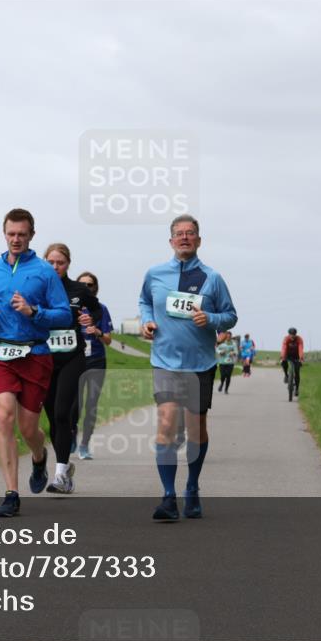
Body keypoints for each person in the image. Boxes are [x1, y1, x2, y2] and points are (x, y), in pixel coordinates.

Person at [0, 209, 71, 517]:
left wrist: (34, 311)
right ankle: (11, 493)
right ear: (4, 234)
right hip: (0, 353)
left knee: (28, 428)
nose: (16, 239)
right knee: (4, 415)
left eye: (22, 234)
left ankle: (39, 456)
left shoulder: (44, 272)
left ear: (31, 236)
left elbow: (64, 315)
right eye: (11, 234)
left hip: (35, 355)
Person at [139, 215, 237, 521]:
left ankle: (192, 486)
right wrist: (146, 322)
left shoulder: (213, 279)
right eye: (179, 234)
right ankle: (168, 497)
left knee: (196, 430)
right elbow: (144, 301)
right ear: (171, 241)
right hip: (165, 361)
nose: (184, 237)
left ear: (198, 240)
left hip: (200, 363)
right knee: (166, 424)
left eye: (190, 233)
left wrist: (211, 319)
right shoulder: (154, 274)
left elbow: (230, 315)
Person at [40, 247, 101, 490]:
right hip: (44, 358)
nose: (55, 267)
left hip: (72, 358)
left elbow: (95, 308)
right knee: (53, 420)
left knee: (62, 413)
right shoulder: (37, 288)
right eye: (51, 262)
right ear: (45, 263)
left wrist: (90, 319)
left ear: (68, 264)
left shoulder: (78, 289)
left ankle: (60, 474)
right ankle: (64, 468)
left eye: (61, 263)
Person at [72, 272, 113, 460]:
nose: (87, 288)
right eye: (83, 284)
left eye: (90, 285)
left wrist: (96, 331)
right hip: (76, 360)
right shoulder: (72, 307)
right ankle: (71, 435)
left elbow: (108, 340)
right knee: (75, 404)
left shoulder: (101, 309)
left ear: (95, 287)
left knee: (91, 404)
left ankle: (84, 445)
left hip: (96, 361)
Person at [280, 327, 305, 397]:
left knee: (297, 372)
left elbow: (300, 348)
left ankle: (297, 389)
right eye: (291, 334)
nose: (292, 336)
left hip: (297, 356)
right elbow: (284, 348)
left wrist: (301, 358)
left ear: (295, 334)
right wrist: (282, 357)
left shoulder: (299, 339)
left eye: (293, 334)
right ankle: (286, 375)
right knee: (283, 362)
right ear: (289, 334)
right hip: (288, 355)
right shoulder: (286, 339)